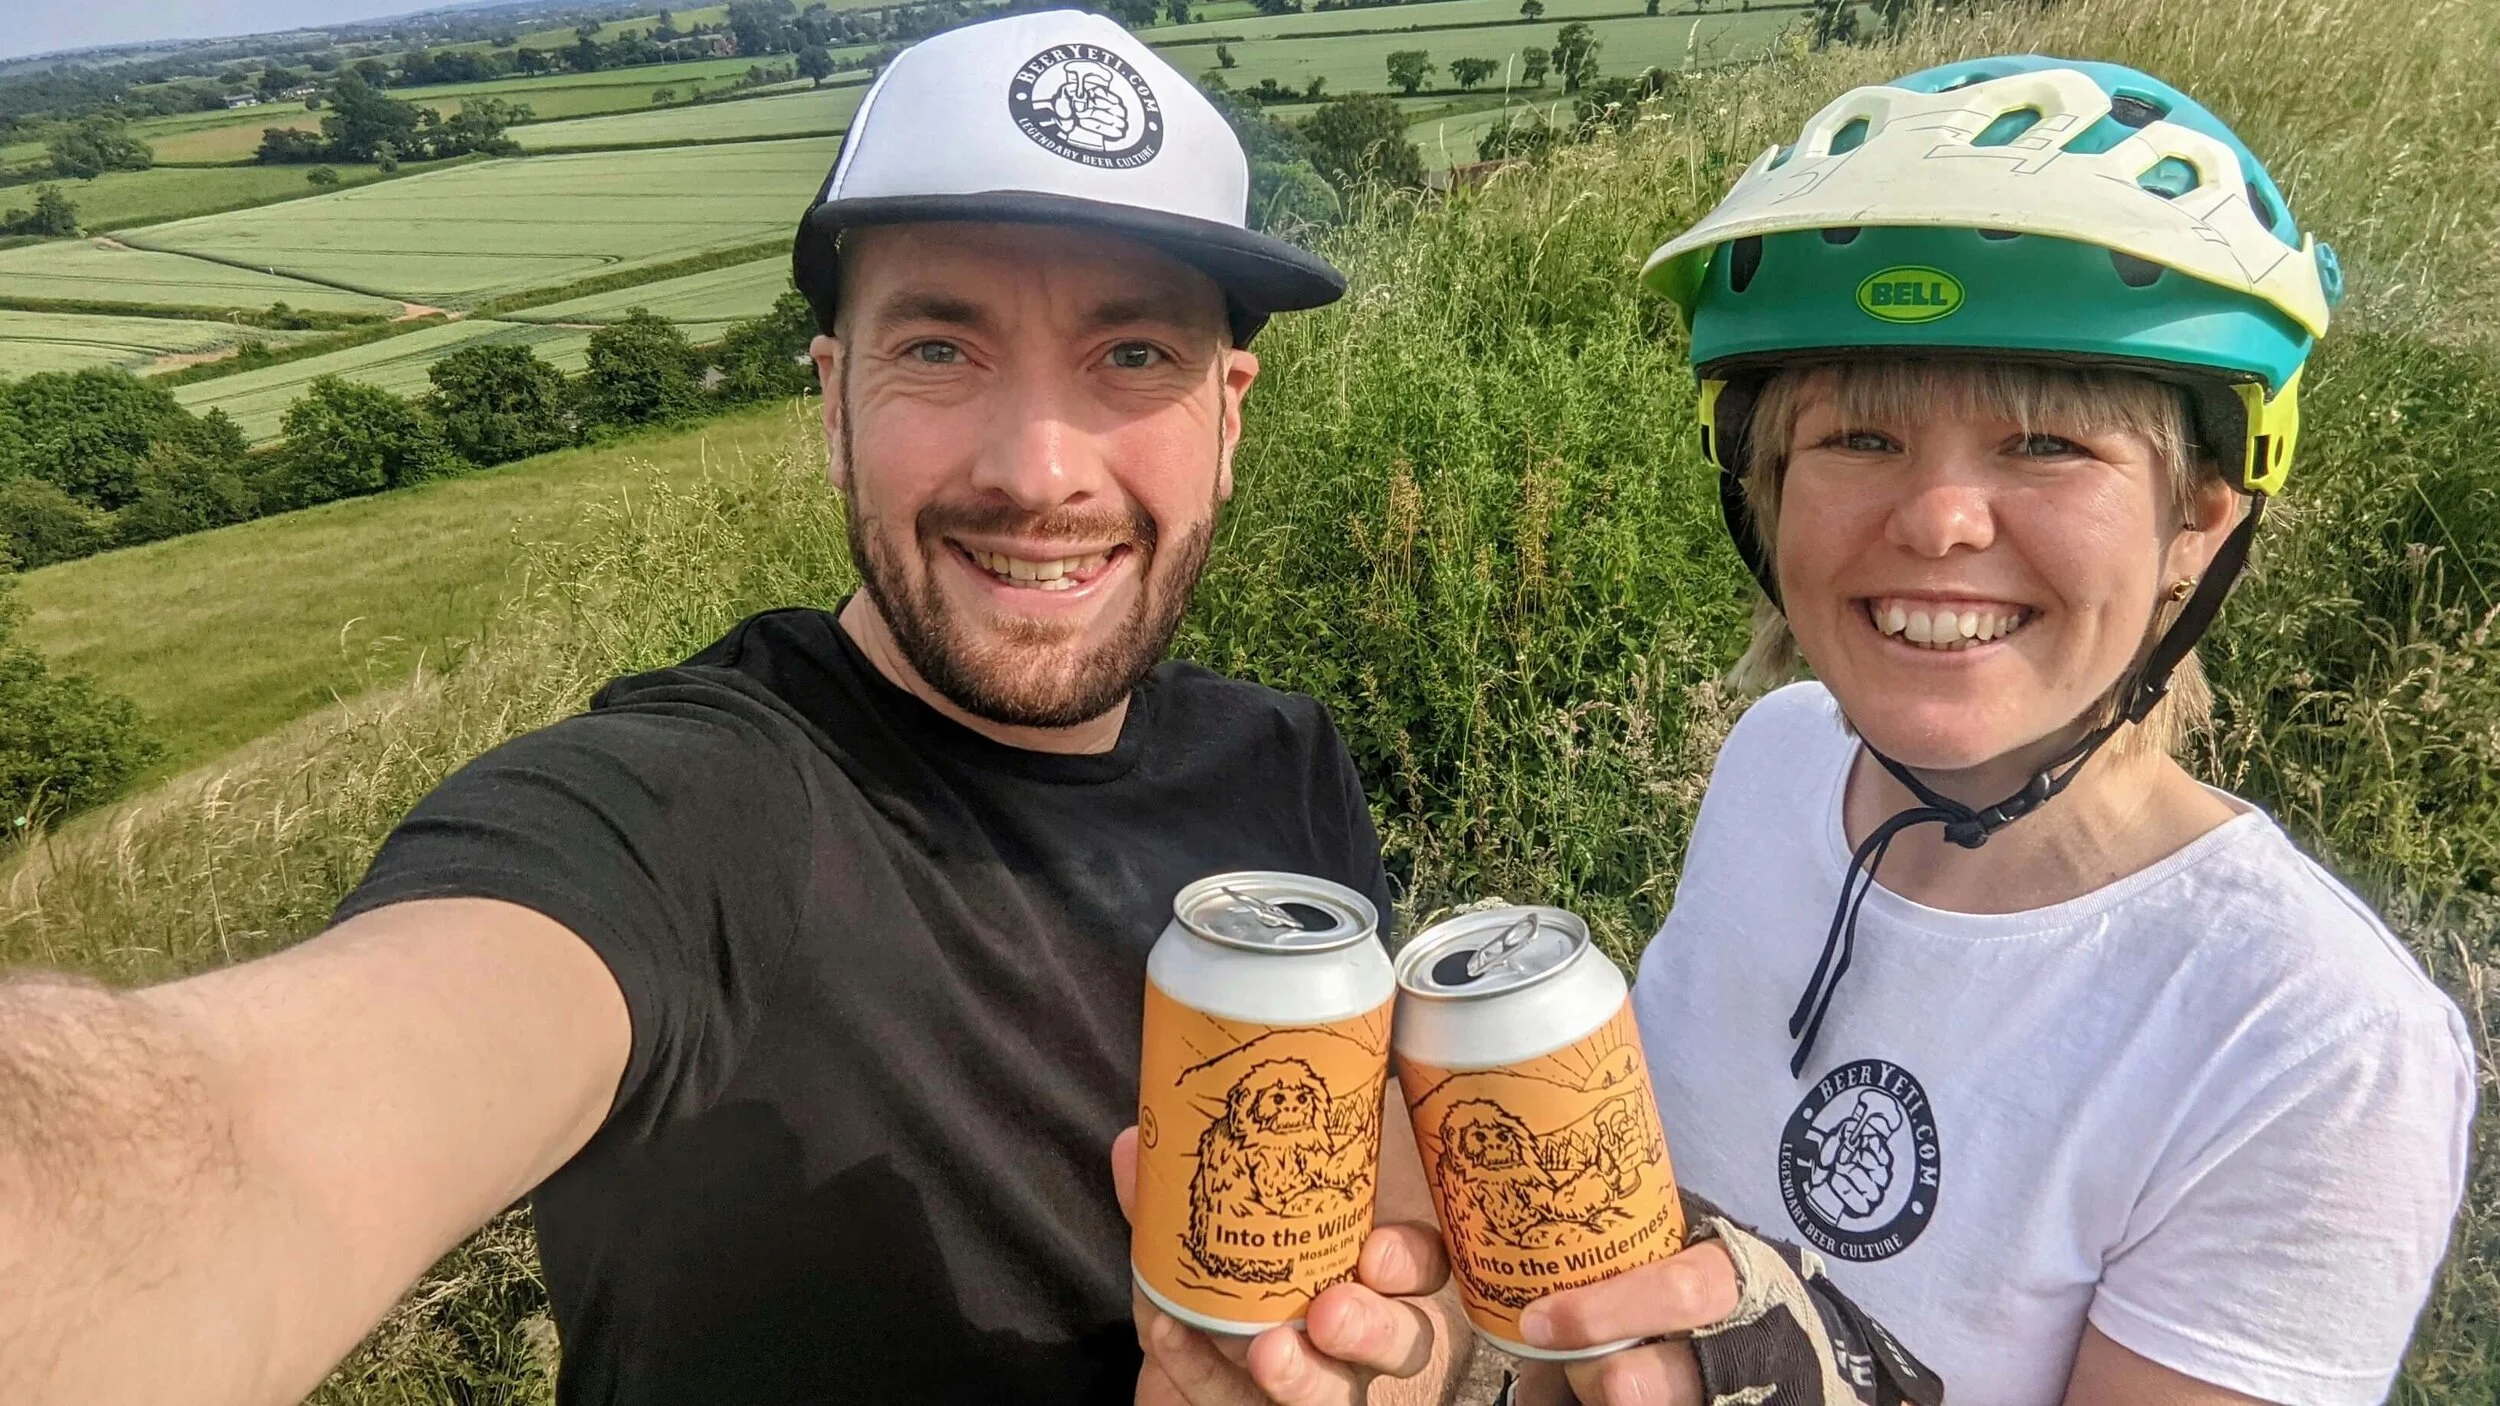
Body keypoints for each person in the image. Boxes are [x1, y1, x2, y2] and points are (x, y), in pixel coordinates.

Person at [0, 13, 1469, 1405]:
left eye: (1133, 354)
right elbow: (250, 1138)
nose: (1040, 469)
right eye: (940, 348)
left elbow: (1399, 1237)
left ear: (1229, 416)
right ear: (831, 404)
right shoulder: (687, 811)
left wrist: (1415, 1344)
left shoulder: (1285, 765)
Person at [1508, 55, 2477, 1406]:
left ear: (2203, 510)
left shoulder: (2307, 1040)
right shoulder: (1780, 757)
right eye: (1858, 437)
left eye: (2045, 443)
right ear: (1764, 485)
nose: (1940, 520)